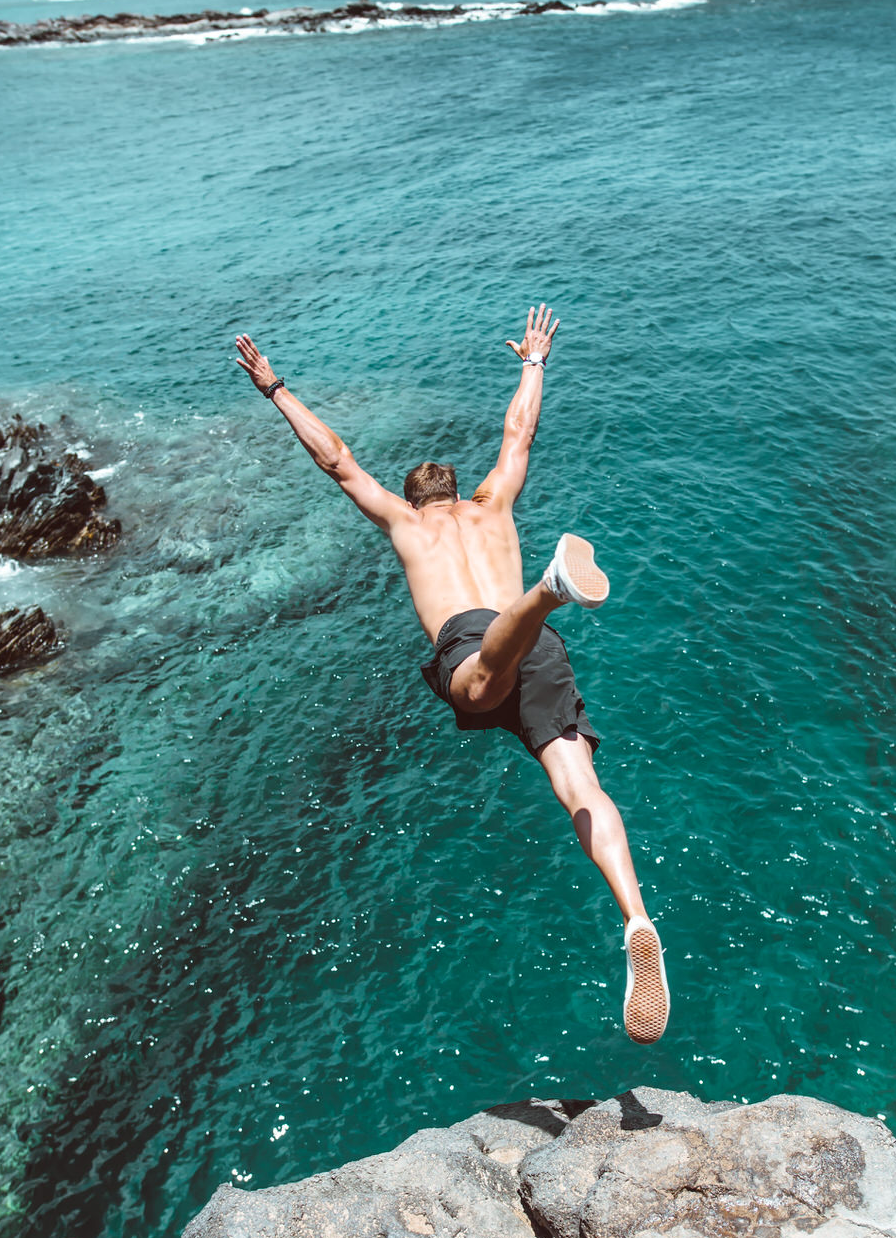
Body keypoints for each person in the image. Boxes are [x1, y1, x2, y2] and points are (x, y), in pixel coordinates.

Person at [234, 304, 671, 1042]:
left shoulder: (408, 524)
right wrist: (533, 362)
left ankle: (547, 589)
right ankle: (636, 915)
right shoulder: (494, 502)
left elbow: (336, 458)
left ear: (413, 500)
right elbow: (518, 431)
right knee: (581, 789)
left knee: (474, 684)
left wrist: (276, 390)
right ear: (459, 489)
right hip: (543, 653)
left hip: (481, 641)